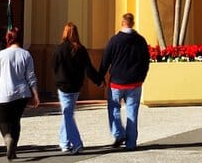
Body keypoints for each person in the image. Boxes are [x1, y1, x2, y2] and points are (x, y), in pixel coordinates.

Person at [96, 11, 151, 151]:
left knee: (114, 109)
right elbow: (145, 61)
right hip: (135, 83)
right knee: (132, 112)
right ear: (133, 23)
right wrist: (142, 77)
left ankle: (118, 133)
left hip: (117, 82)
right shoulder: (141, 41)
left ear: (122, 23)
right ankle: (131, 143)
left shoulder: (114, 40)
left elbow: (105, 60)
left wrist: (100, 78)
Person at [0, 28, 40, 161]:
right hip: (22, 93)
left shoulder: (2, 54)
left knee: (4, 120)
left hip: (5, 93)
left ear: (8, 39)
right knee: (16, 121)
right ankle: (13, 149)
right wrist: (35, 94)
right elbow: (31, 76)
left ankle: (7, 138)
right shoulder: (26, 55)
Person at [52, 21, 100, 154]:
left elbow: (54, 66)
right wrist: (98, 81)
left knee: (67, 114)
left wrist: (57, 80)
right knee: (68, 113)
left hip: (63, 86)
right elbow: (88, 69)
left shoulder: (59, 49)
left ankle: (76, 142)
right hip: (76, 87)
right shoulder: (81, 50)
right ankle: (64, 141)